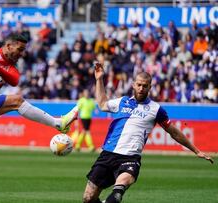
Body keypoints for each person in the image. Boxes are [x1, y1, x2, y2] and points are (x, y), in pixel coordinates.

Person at [0, 34, 78, 203]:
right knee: (17, 100)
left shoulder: (10, 67)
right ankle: (58, 122)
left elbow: (14, 80)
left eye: (24, 50)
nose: (22, 53)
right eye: (20, 49)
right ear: (9, 46)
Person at [82, 63, 214, 203]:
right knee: (88, 198)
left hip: (130, 158)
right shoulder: (122, 101)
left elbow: (174, 132)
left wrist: (196, 150)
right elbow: (102, 104)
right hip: (108, 154)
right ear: (133, 85)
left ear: (150, 87)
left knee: (116, 195)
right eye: (139, 85)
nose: (141, 88)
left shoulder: (156, 109)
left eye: (145, 86)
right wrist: (99, 79)